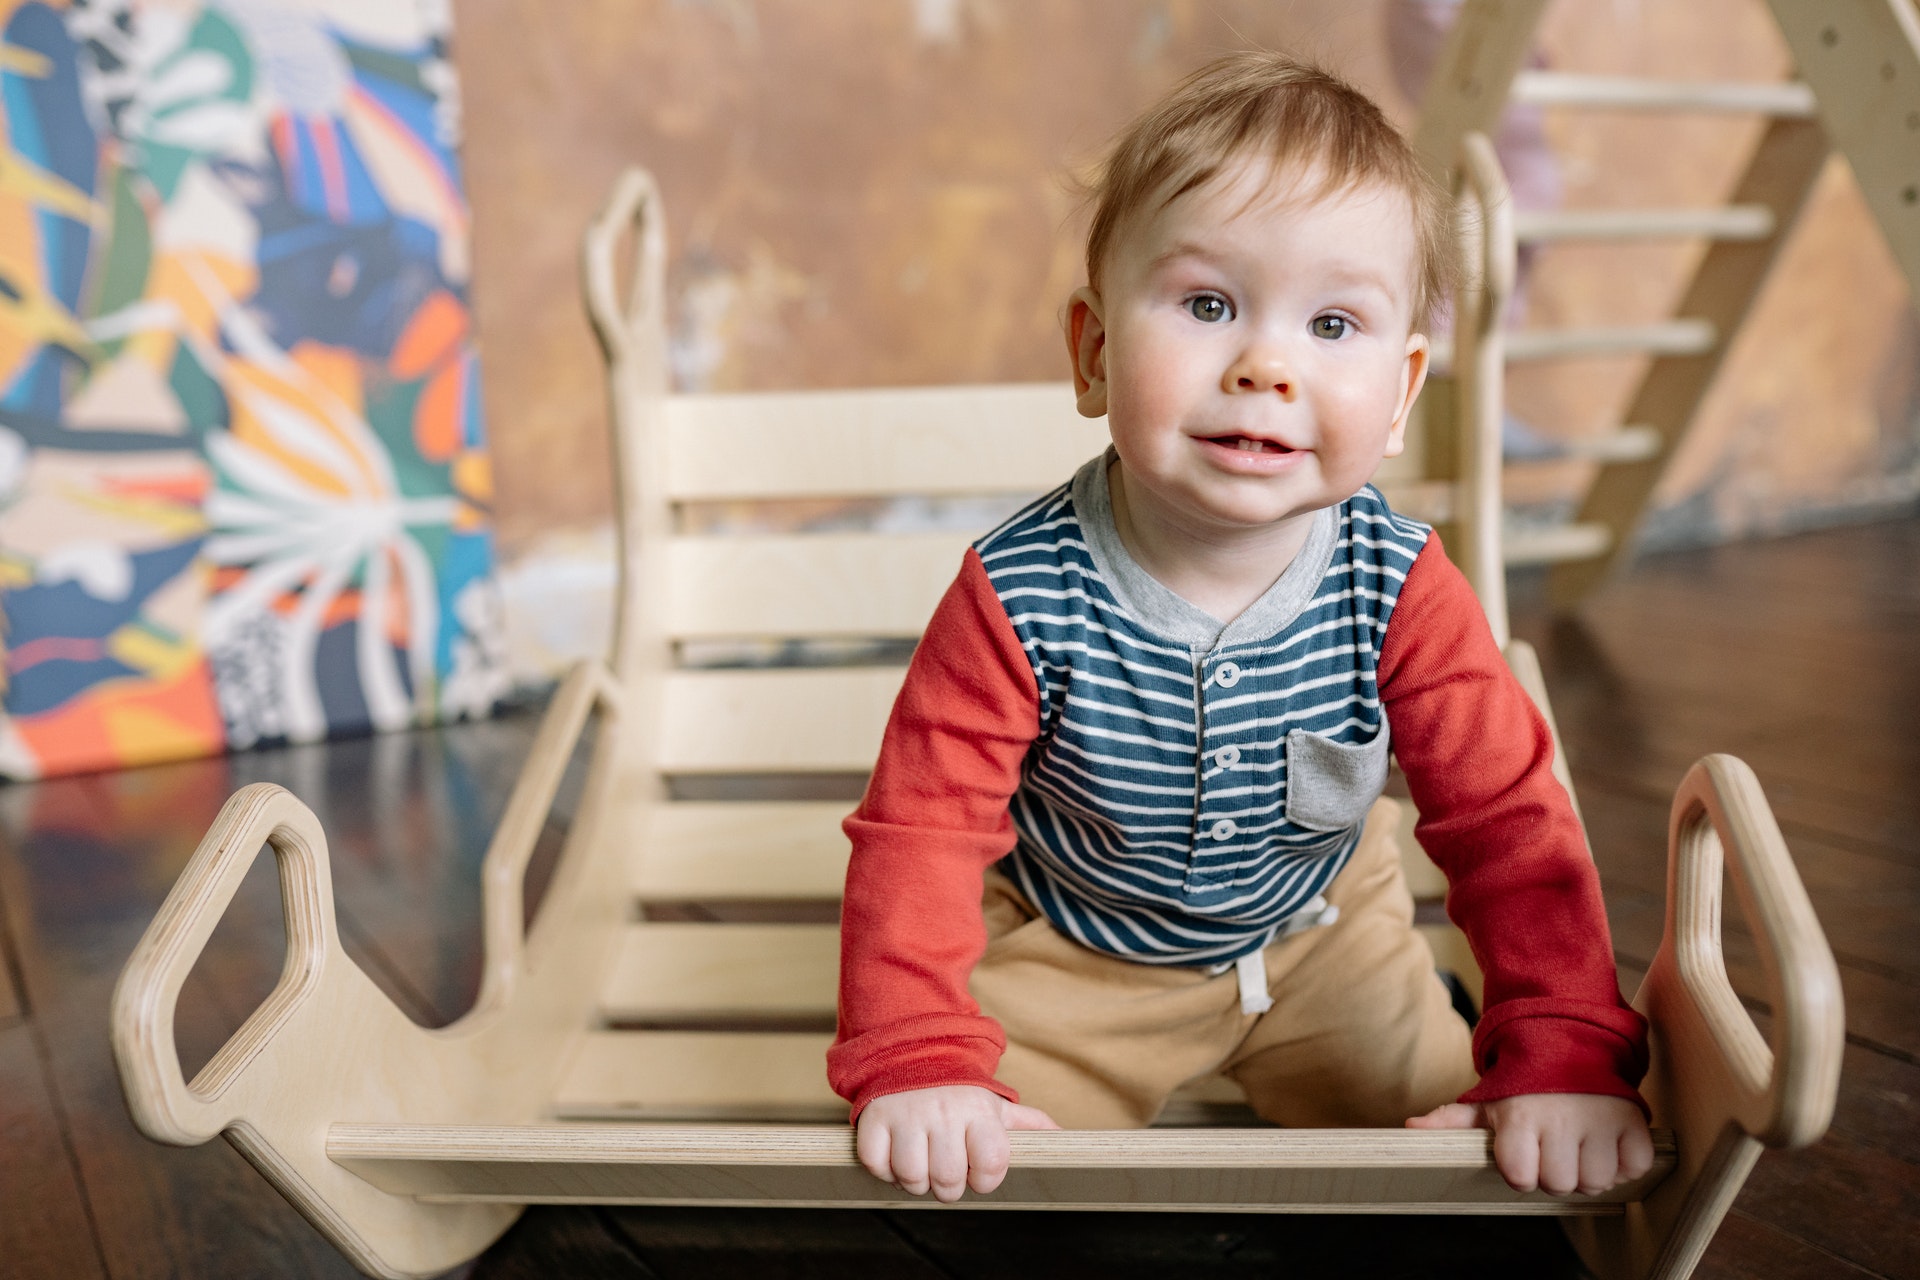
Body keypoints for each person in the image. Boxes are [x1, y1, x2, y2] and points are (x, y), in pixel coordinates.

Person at [827, 52, 1652, 1207]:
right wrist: (916, 1053)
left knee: (1464, 1144)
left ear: (1403, 392)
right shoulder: (1017, 592)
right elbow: (923, 827)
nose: (1267, 365)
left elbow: (1509, 818)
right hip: (1085, 953)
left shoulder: (1399, 583)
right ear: (1095, 349)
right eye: (1208, 305)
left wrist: (1563, 1048)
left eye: (1332, 322)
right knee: (976, 1157)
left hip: (1325, 941)